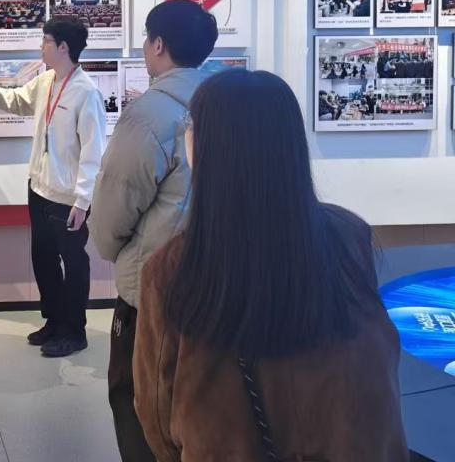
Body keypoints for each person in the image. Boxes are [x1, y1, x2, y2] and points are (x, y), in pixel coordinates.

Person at [134, 70, 407, 461]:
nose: (186, 135)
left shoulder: (173, 268)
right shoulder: (348, 236)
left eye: (192, 126)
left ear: (212, 147)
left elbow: (157, 412)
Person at [90, 0, 218, 462]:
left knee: (137, 403)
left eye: (147, 39)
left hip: (152, 289)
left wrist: (112, 251)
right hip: (215, 285)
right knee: (200, 408)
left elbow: (114, 207)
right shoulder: (227, 105)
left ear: (158, 44)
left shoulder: (150, 114)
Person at [0, 16, 106, 358]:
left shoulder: (86, 92)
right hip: (39, 189)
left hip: (67, 198)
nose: (41, 48)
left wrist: (83, 201)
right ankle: (54, 320)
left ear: (63, 47)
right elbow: (19, 99)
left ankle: (74, 331)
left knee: (74, 263)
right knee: (43, 259)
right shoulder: (47, 81)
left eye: (46, 42)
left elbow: (93, 153)